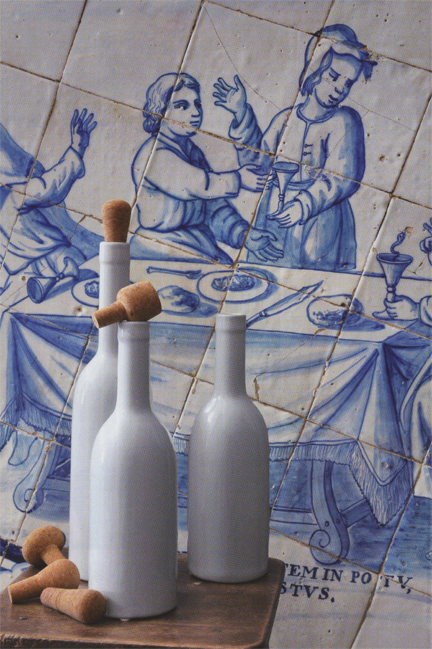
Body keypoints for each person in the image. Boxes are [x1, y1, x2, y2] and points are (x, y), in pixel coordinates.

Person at [213, 24, 377, 270]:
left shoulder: (345, 121)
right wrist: (241, 114)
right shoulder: (285, 119)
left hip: (323, 220)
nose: (339, 89)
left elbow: (343, 178)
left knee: (318, 281)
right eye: (333, 77)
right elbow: (259, 165)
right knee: (266, 276)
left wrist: (303, 205)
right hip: (275, 215)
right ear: (315, 70)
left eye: (347, 83)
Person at [131, 72, 283, 265]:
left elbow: (213, 207)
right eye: (182, 106)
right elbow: (198, 186)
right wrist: (239, 179)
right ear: (160, 111)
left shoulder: (191, 152)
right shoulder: (155, 154)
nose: (195, 112)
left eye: (197, 104)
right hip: (157, 248)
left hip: (196, 242)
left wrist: (242, 234)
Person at [0, 108, 98, 298]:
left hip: (55, 261)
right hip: (17, 278)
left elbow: (51, 186)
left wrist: (76, 149)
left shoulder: (14, 196)